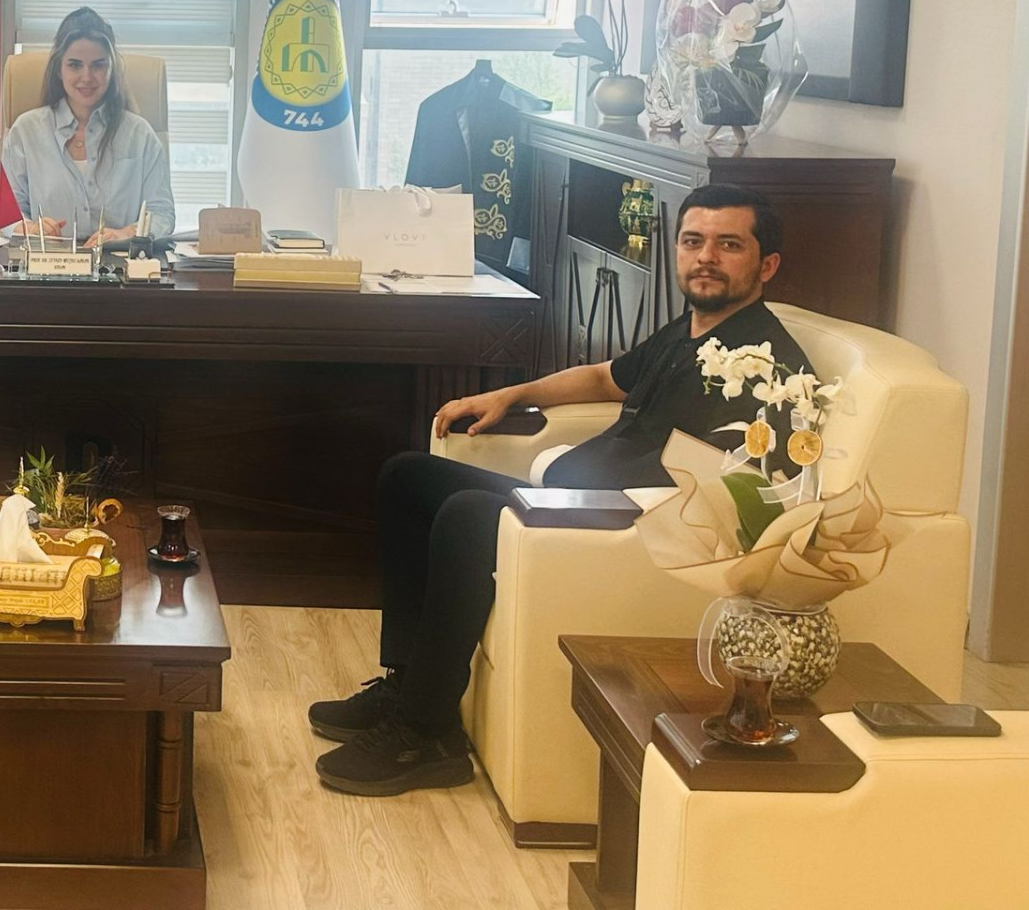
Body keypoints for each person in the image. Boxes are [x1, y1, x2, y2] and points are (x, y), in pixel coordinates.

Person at [307, 184, 809, 797]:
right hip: (567, 498)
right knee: (408, 477)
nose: (706, 257)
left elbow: (724, 492)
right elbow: (604, 378)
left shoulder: (764, 366)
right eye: (693, 241)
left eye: (728, 245)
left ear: (766, 265)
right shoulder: (692, 330)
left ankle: (426, 734)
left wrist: (581, 497)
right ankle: (406, 685)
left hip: (619, 524)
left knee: (468, 515)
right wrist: (509, 394)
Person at [0, 6, 175, 248]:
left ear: (112, 69)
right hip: (47, 263)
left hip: (119, 264)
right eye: (74, 65)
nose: (87, 77)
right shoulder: (25, 131)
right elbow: (6, 214)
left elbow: (162, 214)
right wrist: (29, 228)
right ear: (59, 69)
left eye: (98, 65)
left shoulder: (140, 134)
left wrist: (127, 233)